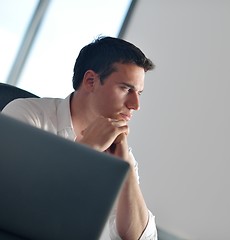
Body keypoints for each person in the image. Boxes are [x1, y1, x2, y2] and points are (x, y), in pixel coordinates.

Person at [2, 36, 157, 240]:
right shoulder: (27, 115)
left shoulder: (121, 154)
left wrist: (126, 169)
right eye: (126, 89)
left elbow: (140, 238)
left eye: (139, 93)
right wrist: (87, 150)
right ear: (90, 81)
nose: (135, 104)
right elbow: (14, 202)